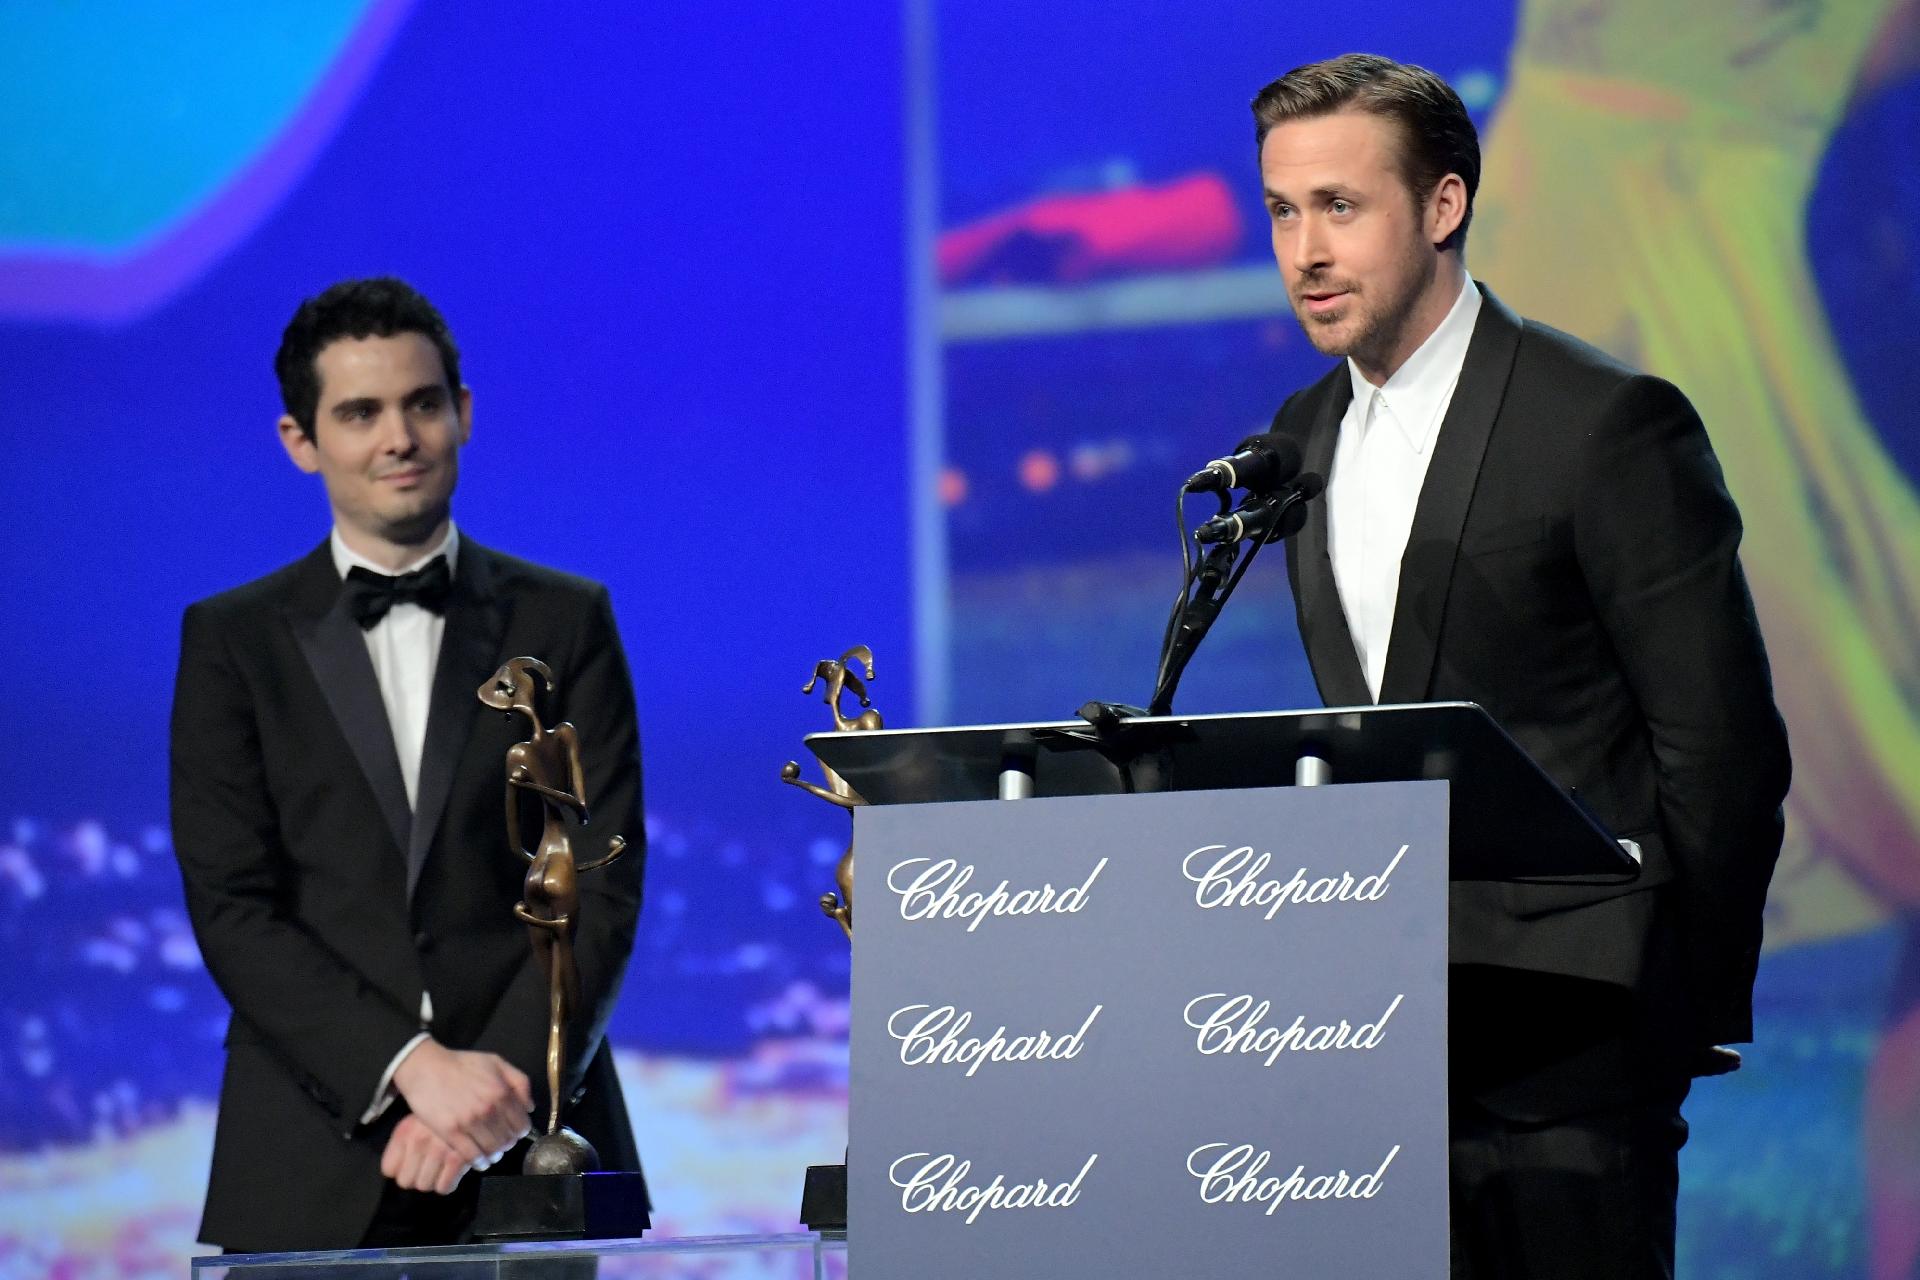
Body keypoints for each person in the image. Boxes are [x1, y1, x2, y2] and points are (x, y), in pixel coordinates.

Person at [1249, 54, 1790, 1278]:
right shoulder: (1298, 440)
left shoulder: (1602, 422)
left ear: (1443, 205)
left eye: (1341, 206)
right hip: (1390, 1048)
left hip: (1579, 1055)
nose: (1306, 251)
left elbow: (1722, 746)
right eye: (1282, 210)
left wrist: (1680, 1001)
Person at [169, 277, 645, 1251]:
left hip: (532, 1146)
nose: (400, 438)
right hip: (308, 1149)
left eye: (422, 404)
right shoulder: (232, 640)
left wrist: (495, 1090)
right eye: (360, 413)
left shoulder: (566, 619)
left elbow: (600, 881)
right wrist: (412, 1067)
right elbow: (233, 905)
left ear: (462, 413)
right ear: (300, 440)